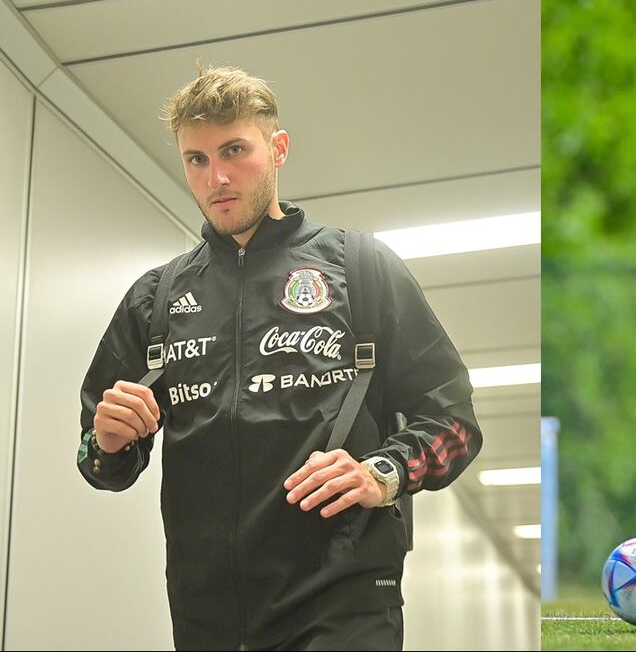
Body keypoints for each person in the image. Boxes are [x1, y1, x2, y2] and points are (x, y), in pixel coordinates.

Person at [76, 64, 482, 650]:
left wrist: (383, 472)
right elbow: (96, 459)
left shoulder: (361, 269)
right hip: (206, 613)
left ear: (278, 148)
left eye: (234, 150)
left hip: (343, 600)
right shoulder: (155, 299)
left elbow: (455, 421)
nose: (216, 176)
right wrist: (108, 441)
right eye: (196, 159)